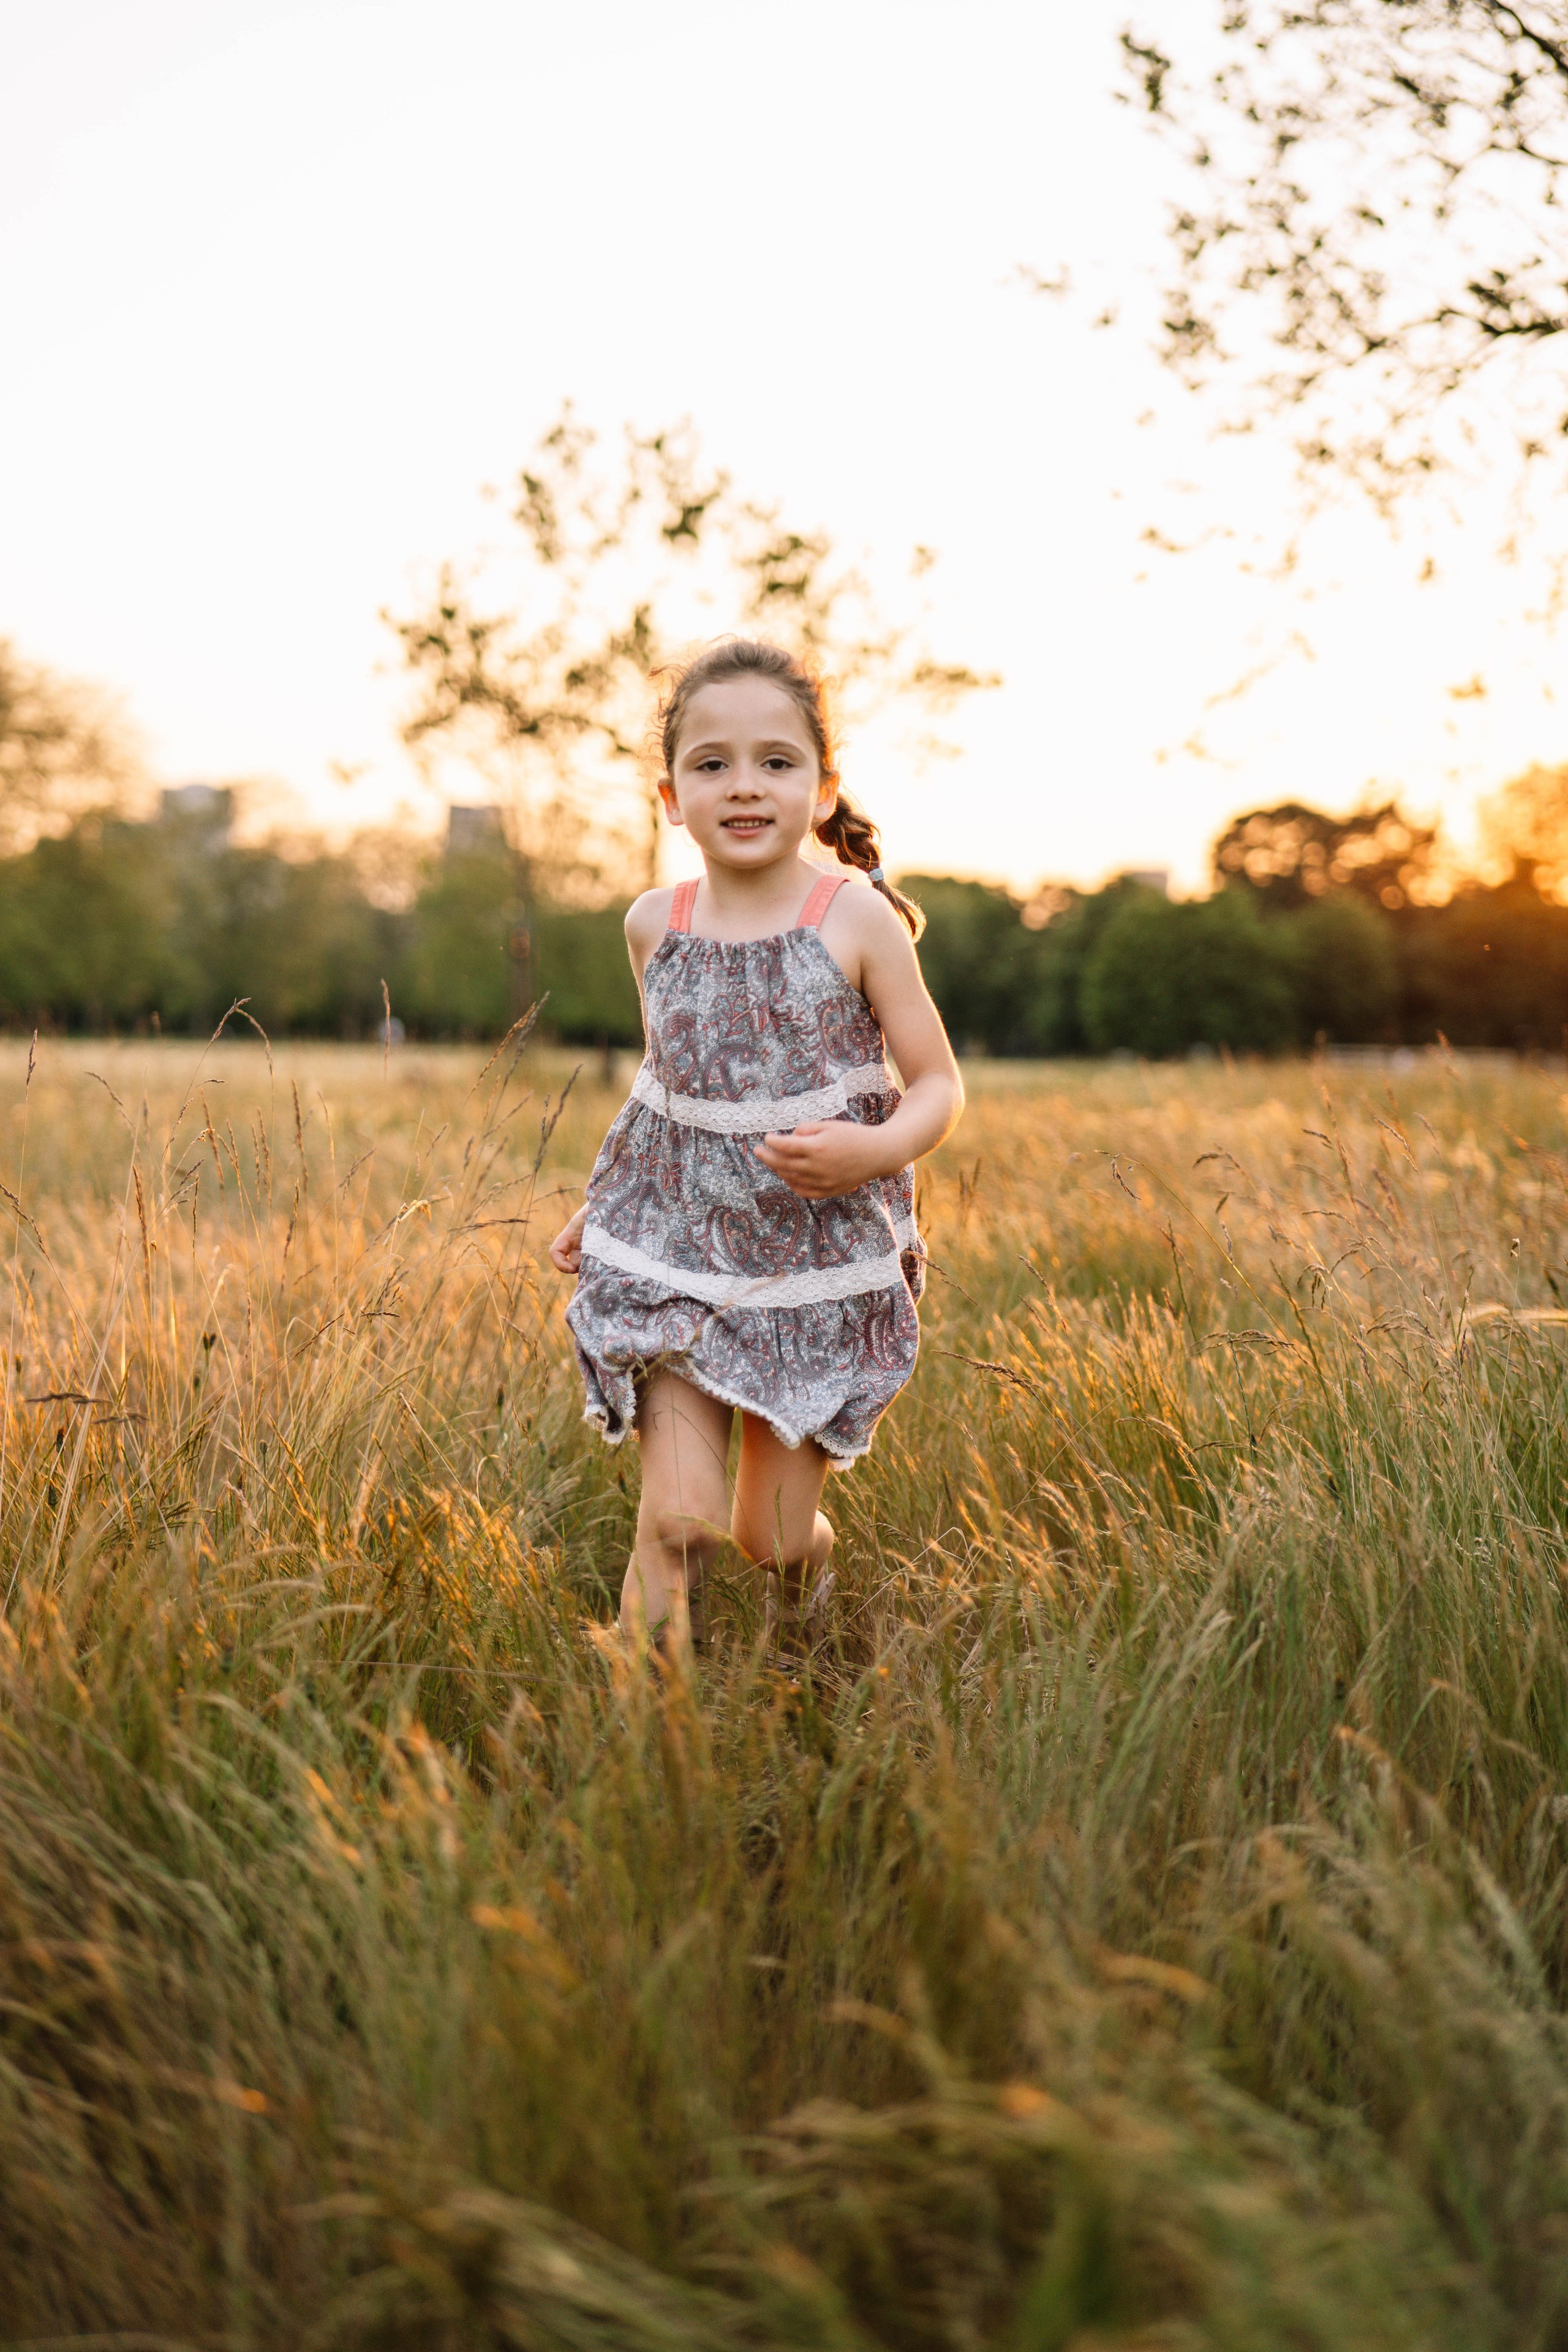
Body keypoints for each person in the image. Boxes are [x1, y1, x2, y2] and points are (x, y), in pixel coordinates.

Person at [550, 638, 963, 1660]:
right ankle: (652, 1750)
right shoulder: (656, 925)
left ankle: (808, 1612)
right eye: (713, 764)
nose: (745, 787)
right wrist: (610, 1208)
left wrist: (873, 1155)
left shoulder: (857, 920)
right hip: (679, 1257)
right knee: (677, 1525)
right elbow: (669, 1095)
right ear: (669, 796)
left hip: (810, 1270)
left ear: (823, 791)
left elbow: (941, 1086)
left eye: (777, 763)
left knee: (769, 1538)